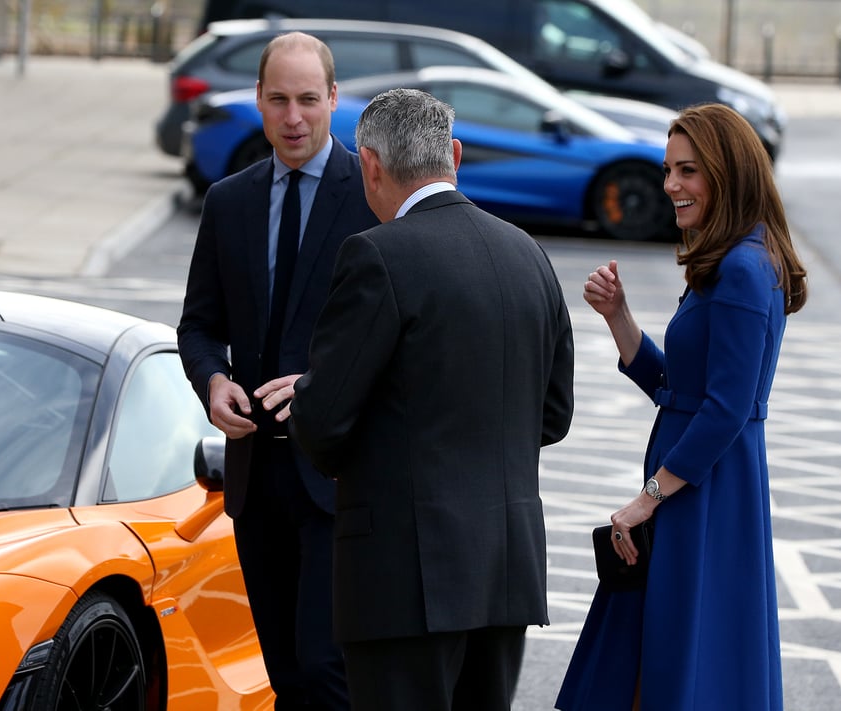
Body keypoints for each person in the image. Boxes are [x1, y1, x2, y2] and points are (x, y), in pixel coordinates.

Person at [284, 88, 575, 711]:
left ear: (369, 165)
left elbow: (324, 418)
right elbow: (552, 416)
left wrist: (306, 396)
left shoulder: (378, 255)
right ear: (456, 156)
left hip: (402, 578)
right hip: (504, 571)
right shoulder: (530, 255)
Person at [555, 103, 808, 711]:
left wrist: (650, 496)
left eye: (688, 171)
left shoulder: (745, 268)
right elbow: (680, 388)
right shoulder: (726, 261)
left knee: (679, 660)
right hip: (692, 484)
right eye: (669, 170)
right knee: (662, 654)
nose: (671, 186)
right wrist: (619, 319)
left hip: (704, 492)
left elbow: (726, 410)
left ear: (728, 172)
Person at [177, 31, 378, 710]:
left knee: (328, 669)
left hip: (339, 477)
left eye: (309, 100)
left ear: (334, 101)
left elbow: (397, 341)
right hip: (255, 476)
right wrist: (212, 381)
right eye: (280, 100)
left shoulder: (371, 200)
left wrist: (321, 388)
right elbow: (198, 324)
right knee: (284, 670)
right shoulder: (229, 201)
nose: (295, 117)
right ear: (259, 102)